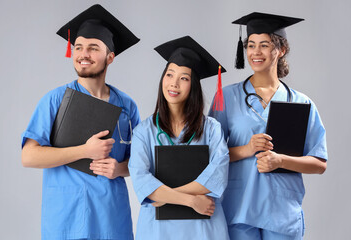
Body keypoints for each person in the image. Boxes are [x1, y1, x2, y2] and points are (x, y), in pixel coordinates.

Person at [21, 4, 140, 240]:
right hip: (66, 217)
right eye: (78, 47)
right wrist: (85, 150)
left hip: (110, 217)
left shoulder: (127, 106)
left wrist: (118, 169)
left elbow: (138, 162)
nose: (83, 54)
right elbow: (29, 156)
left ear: (110, 57)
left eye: (93, 48)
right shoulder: (55, 100)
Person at [209, 12, 328, 240]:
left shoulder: (301, 103)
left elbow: (319, 163)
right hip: (239, 211)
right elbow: (210, 155)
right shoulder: (226, 97)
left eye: (264, 45)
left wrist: (280, 160)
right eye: (251, 45)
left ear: (280, 50)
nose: (256, 52)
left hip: (282, 213)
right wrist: (246, 149)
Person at [128, 36, 230, 240]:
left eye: (184, 78)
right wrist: (191, 201)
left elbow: (216, 177)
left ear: (193, 85)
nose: (174, 83)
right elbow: (141, 182)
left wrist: (163, 196)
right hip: (158, 231)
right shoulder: (144, 131)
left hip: (204, 229)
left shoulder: (211, 129)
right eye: (169, 74)